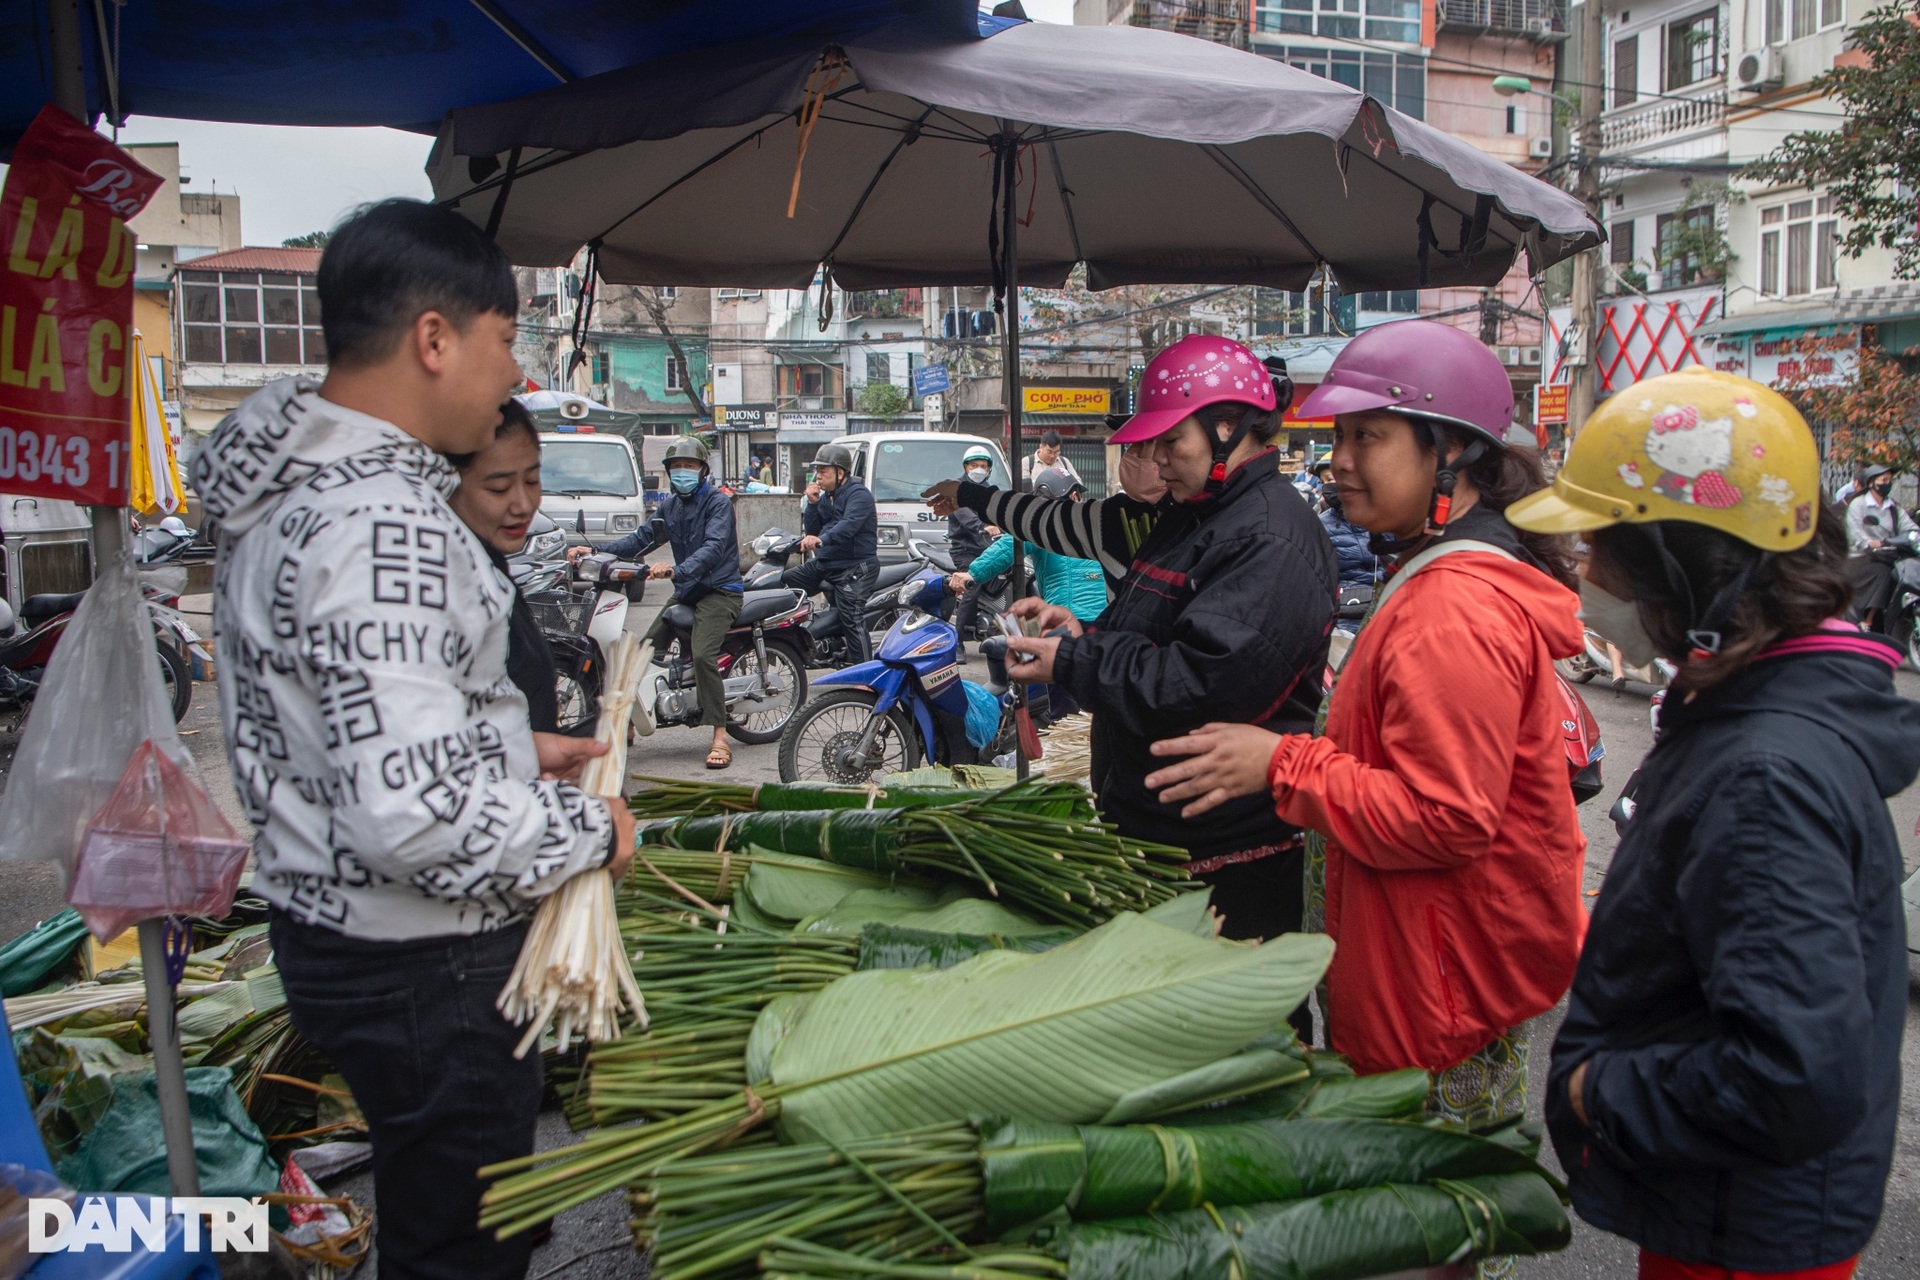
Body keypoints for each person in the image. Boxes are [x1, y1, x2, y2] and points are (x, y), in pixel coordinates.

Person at [189, 198, 637, 1280]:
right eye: (503, 336)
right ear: (433, 339)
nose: (511, 367)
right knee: (457, 1251)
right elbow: (415, 812)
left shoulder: (296, 490)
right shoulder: (382, 522)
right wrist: (587, 829)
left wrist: (511, 750)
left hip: (341, 935)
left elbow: (347, 733)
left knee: (434, 1219)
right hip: (422, 958)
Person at [1505, 367, 1917, 1280]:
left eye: (1602, 548)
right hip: (1734, 1212)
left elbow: (1791, 1072)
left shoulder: (1766, 771)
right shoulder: (1747, 714)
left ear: (1683, 569)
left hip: (1749, 1234)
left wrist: (1592, 1088)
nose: (1588, 572)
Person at [1141, 320, 1587, 1130]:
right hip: (1411, 979)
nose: (1339, 459)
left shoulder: (1453, 609)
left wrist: (1284, 764)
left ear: (1449, 452)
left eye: (1368, 436)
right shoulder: (1427, 572)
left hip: (1432, 1011)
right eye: (1338, 435)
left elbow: (1446, 817)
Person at [928, 335, 1337, 956]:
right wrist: (1081, 632)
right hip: (1162, 840)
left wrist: (1075, 659)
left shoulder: (1270, 538)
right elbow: (1151, 632)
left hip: (1224, 862)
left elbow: (1199, 683)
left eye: (1172, 442)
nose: (1157, 459)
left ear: (1228, 427)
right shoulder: (1191, 513)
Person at [571, 437, 743, 768]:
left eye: (689, 466)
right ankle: (632, 720)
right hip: (688, 591)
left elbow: (715, 546)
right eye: (676, 467)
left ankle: (720, 733)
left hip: (720, 590)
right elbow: (640, 539)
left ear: (703, 470)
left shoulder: (717, 504)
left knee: (705, 655)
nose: (682, 472)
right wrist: (595, 552)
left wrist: (677, 570)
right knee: (642, 651)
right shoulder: (670, 507)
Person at [447, 399, 559, 733]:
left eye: (532, 481)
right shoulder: (442, 580)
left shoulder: (488, 562)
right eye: (498, 488)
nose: (524, 505)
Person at [786, 442, 879, 664]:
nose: (818, 477)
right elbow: (814, 529)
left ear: (840, 472)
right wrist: (811, 503)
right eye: (816, 471)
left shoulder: (859, 495)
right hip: (827, 563)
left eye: (823, 471)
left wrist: (821, 540)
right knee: (785, 583)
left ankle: (866, 676)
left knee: (852, 618)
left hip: (855, 567)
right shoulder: (827, 496)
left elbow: (847, 526)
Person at [1844, 463, 1916, 631]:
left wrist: (1914, 536)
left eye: (1890, 480)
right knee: (1885, 572)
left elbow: (1909, 526)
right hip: (1861, 557)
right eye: (1884, 480)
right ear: (1871, 483)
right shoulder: (1859, 504)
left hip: (1888, 553)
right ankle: (1867, 621)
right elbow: (1856, 533)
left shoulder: (1894, 507)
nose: (1887, 483)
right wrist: (1870, 542)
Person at [947, 444, 1000, 643]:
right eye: (974, 465)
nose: (979, 469)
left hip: (988, 548)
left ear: (989, 470)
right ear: (966, 467)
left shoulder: (990, 491)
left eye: (983, 466)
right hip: (965, 549)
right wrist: (983, 526)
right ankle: (957, 641)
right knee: (972, 585)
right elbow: (965, 516)